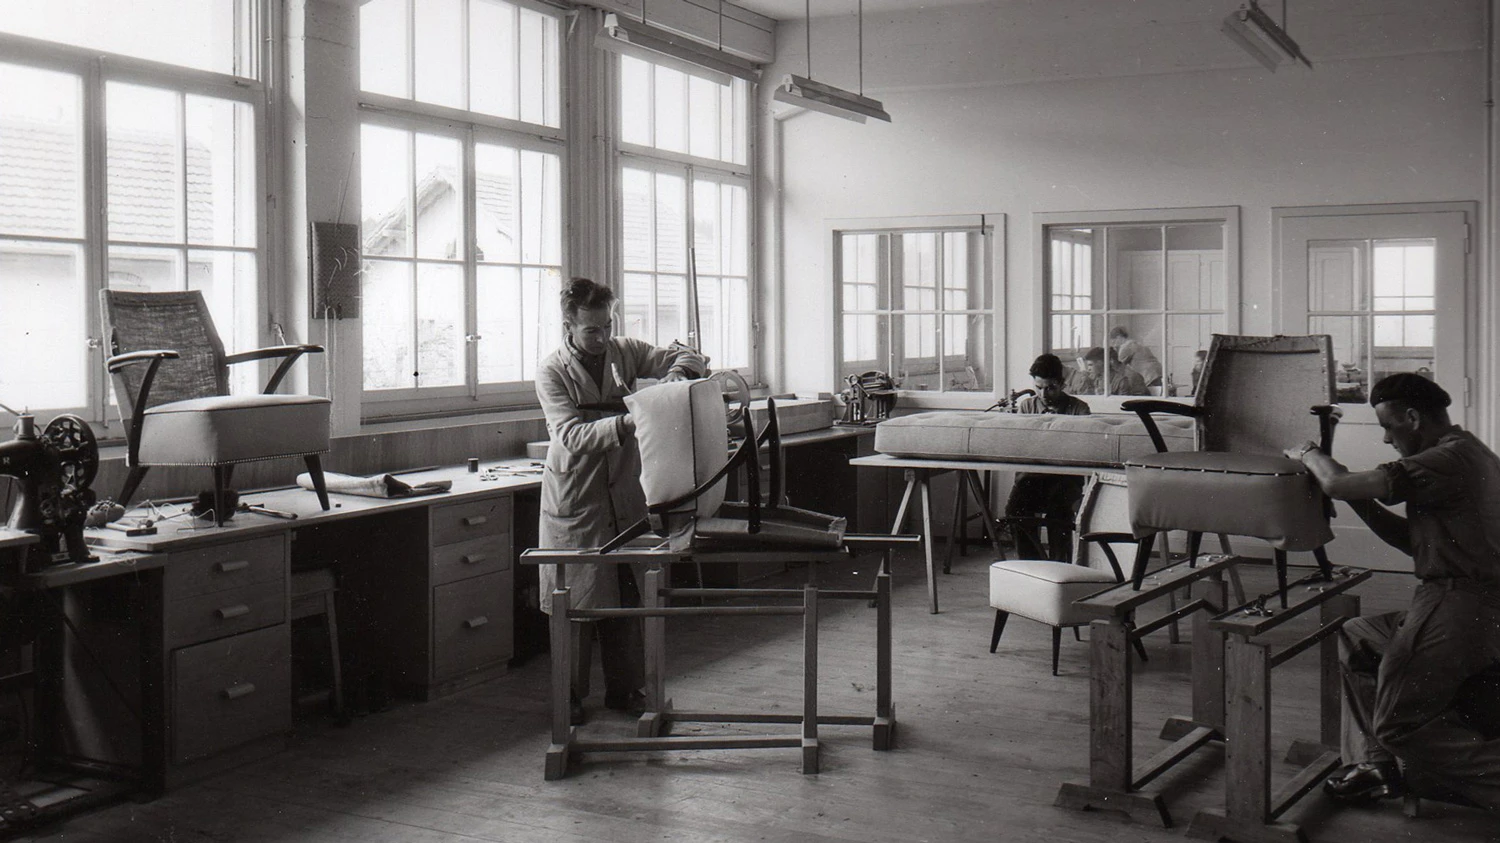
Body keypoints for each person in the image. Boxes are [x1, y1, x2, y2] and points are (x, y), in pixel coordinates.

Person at [1284, 373, 1500, 810]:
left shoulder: (1446, 459)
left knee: (1399, 725)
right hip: (1470, 599)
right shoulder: (1469, 451)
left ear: (1413, 418)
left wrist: (1308, 453)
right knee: (1358, 637)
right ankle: (1375, 767)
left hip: (1458, 602)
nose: (1385, 439)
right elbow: (1414, 541)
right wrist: (1360, 502)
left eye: (1388, 427)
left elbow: (1337, 483)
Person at [536, 277, 708, 726]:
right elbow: (570, 435)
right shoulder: (551, 371)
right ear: (568, 326)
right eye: (591, 330)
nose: (602, 337)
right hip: (576, 492)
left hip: (623, 488)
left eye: (607, 325)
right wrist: (634, 419)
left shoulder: (625, 350)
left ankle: (625, 690)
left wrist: (676, 377)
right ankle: (569, 696)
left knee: (626, 594)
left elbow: (688, 355)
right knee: (574, 600)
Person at [1004, 354, 1090, 560]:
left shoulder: (1079, 409)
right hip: (1033, 478)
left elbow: (1083, 450)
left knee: (1058, 513)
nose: (1043, 394)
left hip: (1066, 480)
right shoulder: (1026, 407)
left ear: (1062, 384)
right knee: (1015, 510)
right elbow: (1021, 447)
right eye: (1038, 387)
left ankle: (1060, 567)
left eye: (1050, 387)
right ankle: (1032, 566)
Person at [1066, 346, 1147, 396]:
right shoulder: (1093, 378)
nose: (1088, 369)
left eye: (1091, 365)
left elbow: (1123, 405)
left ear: (1100, 363)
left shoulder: (1121, 381)